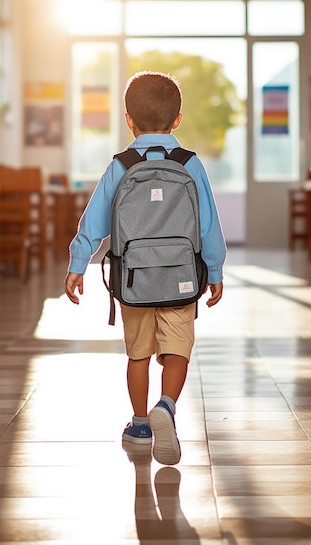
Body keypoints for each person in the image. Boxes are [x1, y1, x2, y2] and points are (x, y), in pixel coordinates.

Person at [65, 71, 226, 466]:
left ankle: (139, 424)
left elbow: (95, 222)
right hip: (182, 277)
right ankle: (166, 407)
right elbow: (208, 224)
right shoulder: (191, 164)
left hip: (133, 280)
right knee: (177, 349)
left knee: (138, 354)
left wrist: (78, 263)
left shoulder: (121, 165)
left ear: (128, 119)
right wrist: (216, 271)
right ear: (178, 119)